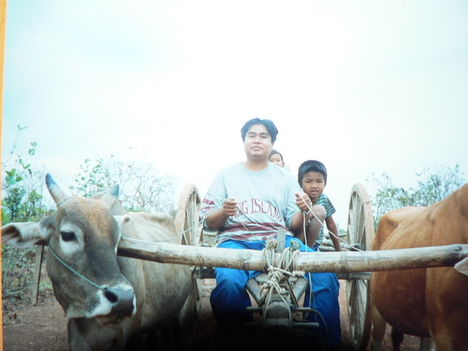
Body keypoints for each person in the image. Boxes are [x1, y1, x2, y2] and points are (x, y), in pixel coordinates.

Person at [200, 118, 341, 351]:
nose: (257, 140)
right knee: (227, 283)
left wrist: (304, 209)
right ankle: (236, 342)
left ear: (272, 142)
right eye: (252, 135)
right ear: (243, 141)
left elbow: (294, 226)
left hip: (280, 242)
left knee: (324, 271)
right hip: (236, 243)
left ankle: (322, 342)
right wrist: (224, 212)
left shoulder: (284, 177)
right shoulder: (225, 175)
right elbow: (208, 221)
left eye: (264, 136)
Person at [296, 160, 342, 252]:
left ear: (325, 183)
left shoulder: (323, 199)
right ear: (300, 183)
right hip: (297, 241)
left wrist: (338, 248)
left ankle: (309, 250)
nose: (314, 186)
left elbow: (331, 224)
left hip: (314, 244)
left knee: (320, 211)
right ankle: (301, 249)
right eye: (308, 181)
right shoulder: (298, 198)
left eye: (319, 181)